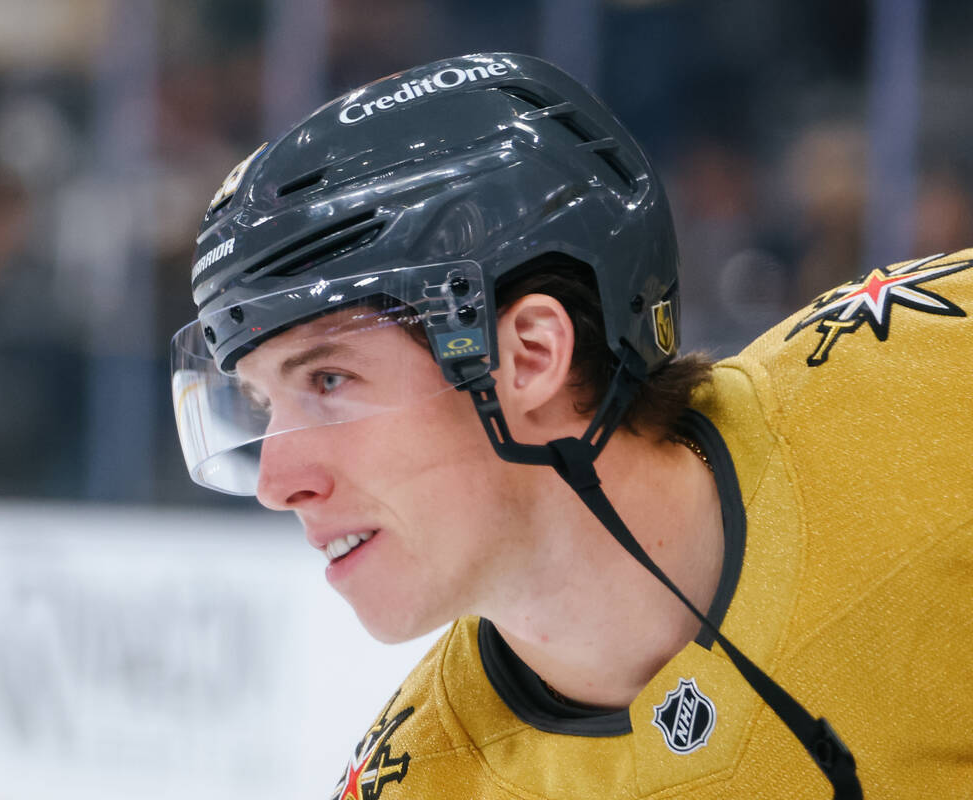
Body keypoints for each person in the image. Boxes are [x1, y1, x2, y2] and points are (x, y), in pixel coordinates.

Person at [170, 53, 973, 798]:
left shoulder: (932, 373)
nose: (277, 483)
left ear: (528, 355)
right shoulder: (426, 783)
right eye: (267, 405)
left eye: (329, 379)